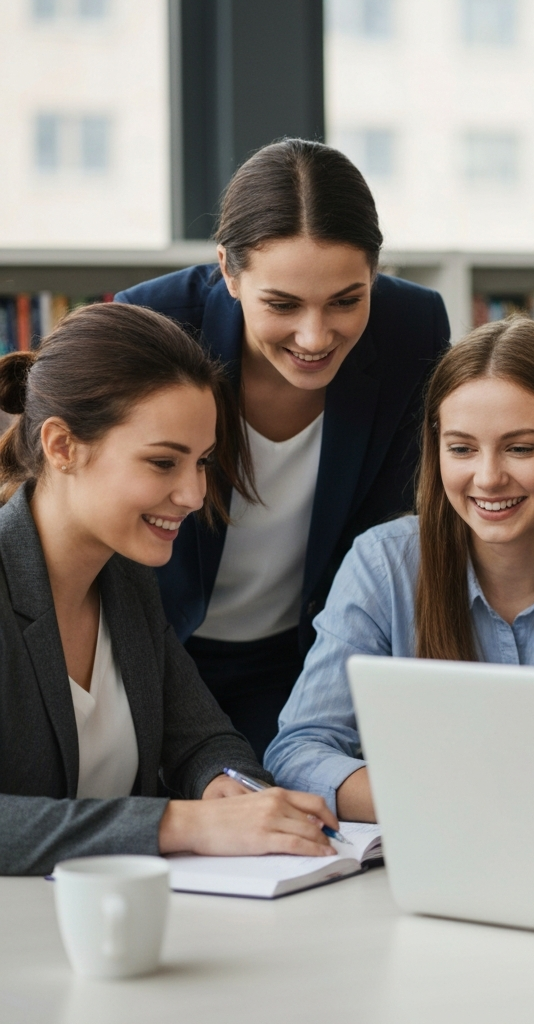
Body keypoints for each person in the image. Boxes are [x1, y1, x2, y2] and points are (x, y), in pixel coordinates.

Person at [265, 318, 534, 822]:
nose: (489, 478)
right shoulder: (382, 562)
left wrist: (485, 796)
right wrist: (454, 801)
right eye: (462, 448)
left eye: (520, 448)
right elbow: (298, 752)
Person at [117, 139, 450, 760]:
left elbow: (390, 528)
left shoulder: (414, 328)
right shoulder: (153, 323)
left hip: (306, 655)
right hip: (151, 648)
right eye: (282, 304)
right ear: (228, 272)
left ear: (374, 273)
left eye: (347, 300)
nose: (315, 336)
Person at [0, 303, 339, 875]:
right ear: (61, 447)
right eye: (163, 463)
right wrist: (182, 824)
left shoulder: (125, 579)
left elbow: (205, 740)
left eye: (202, 462)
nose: (194, 494)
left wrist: (228, 791)